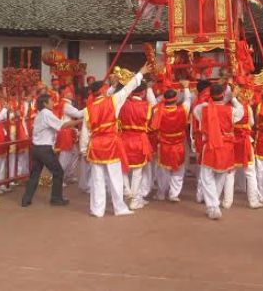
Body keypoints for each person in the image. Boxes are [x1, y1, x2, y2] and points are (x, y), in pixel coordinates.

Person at [79, 64, 150, 217]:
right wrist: (140, 73)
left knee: (97, 180)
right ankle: (119, 208)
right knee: (115, 178)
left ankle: (97, 210)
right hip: (111, 143)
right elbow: (128, 88)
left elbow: (85, 133)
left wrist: (84, 150)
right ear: (103, 91)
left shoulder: (88, 109)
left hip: (96, 146)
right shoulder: (113, 101)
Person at [192, 83, 244, 220]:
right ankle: (214, 205)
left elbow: (197, 109)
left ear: (210, 95)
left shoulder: (202, 110)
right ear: (223, 95)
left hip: (210, 146)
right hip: (226, 147)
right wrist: (233, 98)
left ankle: (213, 206)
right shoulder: (232, 110)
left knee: (206, 177)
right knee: (221, 175)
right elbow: (241, 110)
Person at [21, 93, 78, 207]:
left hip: (37, 148)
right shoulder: (47, 114)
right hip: (44, 149)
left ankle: (26, 199)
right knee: (58, 172)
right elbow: (62, 125)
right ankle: (56, 198)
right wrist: (80, 120)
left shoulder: (40, 114)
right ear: (45, 103)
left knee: (35, 174)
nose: (53, 103)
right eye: (51, 101)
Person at [227, 82, 263, 209]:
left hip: (232, 142)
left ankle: (227, 202)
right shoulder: (247, 108)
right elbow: (252, 123)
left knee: (230, 172)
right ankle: (253, 201)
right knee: (250, 172)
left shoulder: (229, 108)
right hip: (245, 142)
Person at [151, 83, 190, 202]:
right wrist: (186, 87)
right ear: (176, 99)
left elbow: (152, 102)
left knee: (163, 171)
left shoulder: (157, 111)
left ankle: (161, 193)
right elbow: (188, 100)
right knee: (178, 170)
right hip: (179, 145)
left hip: (164, 145)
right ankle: (174, 194)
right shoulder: (183, 109)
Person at [119, 81, 154, 210]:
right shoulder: (147, 106)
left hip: (124, 139)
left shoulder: (123, 103)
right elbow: (151, 124)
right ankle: (134, 199)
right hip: (139, 140)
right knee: (137, 172)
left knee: (123, 168)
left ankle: (126, 190)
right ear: (143, 92)